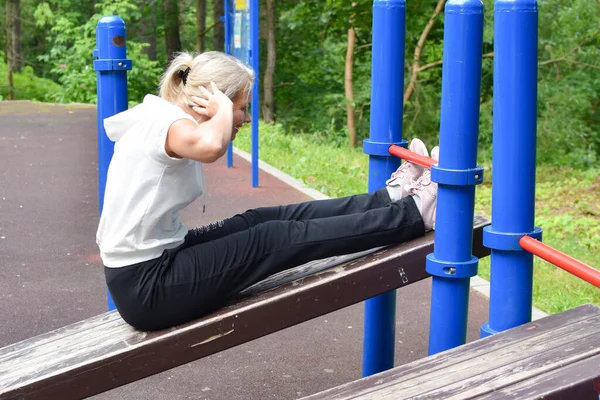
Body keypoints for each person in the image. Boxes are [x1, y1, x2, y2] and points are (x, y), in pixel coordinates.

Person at [97, 51, 439, 332]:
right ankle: (416, 213)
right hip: (147, 288)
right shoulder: (168, 125)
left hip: (153, 267)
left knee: (260, 219)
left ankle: (390, 199)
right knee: (271, 238)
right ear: (215, 101)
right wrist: (223, 110)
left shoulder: (165, 118)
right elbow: (212, 144)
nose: (245, 119)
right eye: (242, 108)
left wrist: (225, 109)